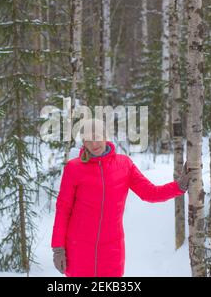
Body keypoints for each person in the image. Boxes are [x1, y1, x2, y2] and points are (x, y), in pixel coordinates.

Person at [51, 118, 190, 277]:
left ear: (105, 136)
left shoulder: (124, 165)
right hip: (78, 249)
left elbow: (150, 193)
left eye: (97, 137)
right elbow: (63, 210)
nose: (94, 144)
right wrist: (58, 248)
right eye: (88, 139)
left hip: (112, 250)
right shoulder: (74, 168)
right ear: (83, 142)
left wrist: (179, 186)